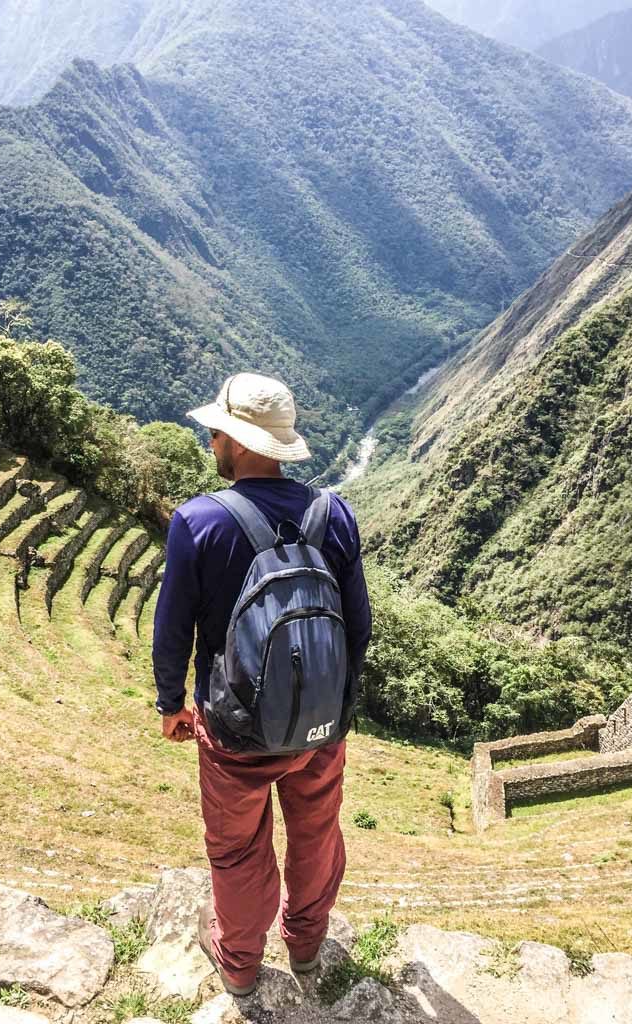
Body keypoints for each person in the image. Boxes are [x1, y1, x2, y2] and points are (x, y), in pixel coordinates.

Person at [152, 372, 372, 996]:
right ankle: (305, 948)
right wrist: (330, 701)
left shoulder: (198, 522)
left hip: (234, 731)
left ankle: (242, 967)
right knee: (315, 834)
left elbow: (173, 632)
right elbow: (358, 625)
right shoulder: (334, 514)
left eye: (218, 432)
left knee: (239, 850)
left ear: (241, 443)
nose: (212, 441)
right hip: (321, 730)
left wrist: (172, 705)